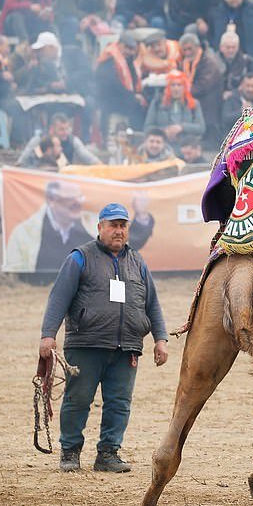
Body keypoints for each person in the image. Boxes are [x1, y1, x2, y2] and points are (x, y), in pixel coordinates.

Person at [39, 202, 169, 473]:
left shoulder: (137, 262)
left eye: (123, 226)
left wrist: (160, 338)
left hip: (127, 347)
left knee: (119, 403)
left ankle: (108, 454)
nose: (118, 231)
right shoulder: (80, 257)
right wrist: (48, 335)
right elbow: (58, 298)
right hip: (86, 343)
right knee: (78, 400)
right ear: (100, 227)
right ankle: (70, 452)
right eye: (113, 225)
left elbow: (152, 303)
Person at [95, 33, 145, 131]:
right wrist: (132, 96)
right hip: (109, 100)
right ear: (119, 45)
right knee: (136, 106)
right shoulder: (109, 59)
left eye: (131, 49)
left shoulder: (129, 60)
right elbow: (110, 84)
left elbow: (134, 80)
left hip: (124, 98)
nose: (128, 51)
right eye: (126, 47)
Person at [144, 70, 205, 146]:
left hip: (186, 146)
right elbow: (147, 127)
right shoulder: (157, 103)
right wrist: (164, 131)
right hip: (163, 145)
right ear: (168, 88)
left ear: (185, 87)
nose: (176, 88)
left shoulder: (194, 104)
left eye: (179, 85)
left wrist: (181, 127)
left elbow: (201, 128)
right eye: (173, 85)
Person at [19, 113, 100, 167]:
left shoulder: (73, 141)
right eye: (61, 129)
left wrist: (103, 168)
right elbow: (21, 162)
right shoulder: (38, 140)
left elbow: (90, 159)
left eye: (67, 129)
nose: (65, 132)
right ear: (51, 129)